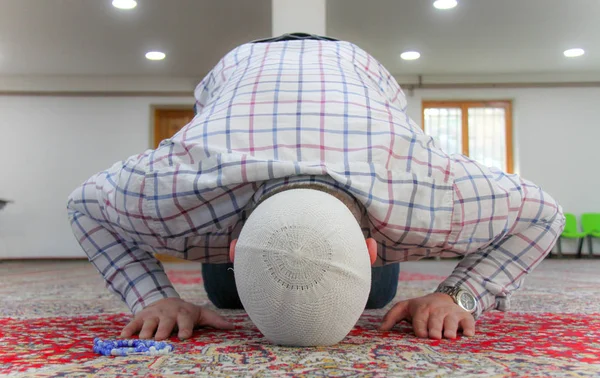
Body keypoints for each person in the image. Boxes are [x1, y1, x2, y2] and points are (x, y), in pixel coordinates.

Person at [67, 33, 564, 343]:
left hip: (355, 74)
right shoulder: (174, 185)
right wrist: (153, 299)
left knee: (372, 300)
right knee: (230, 297)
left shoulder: (426, 188)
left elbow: (544, 213)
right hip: (242, 76)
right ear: (233, 250)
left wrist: (459, 295)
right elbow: (84, 205)